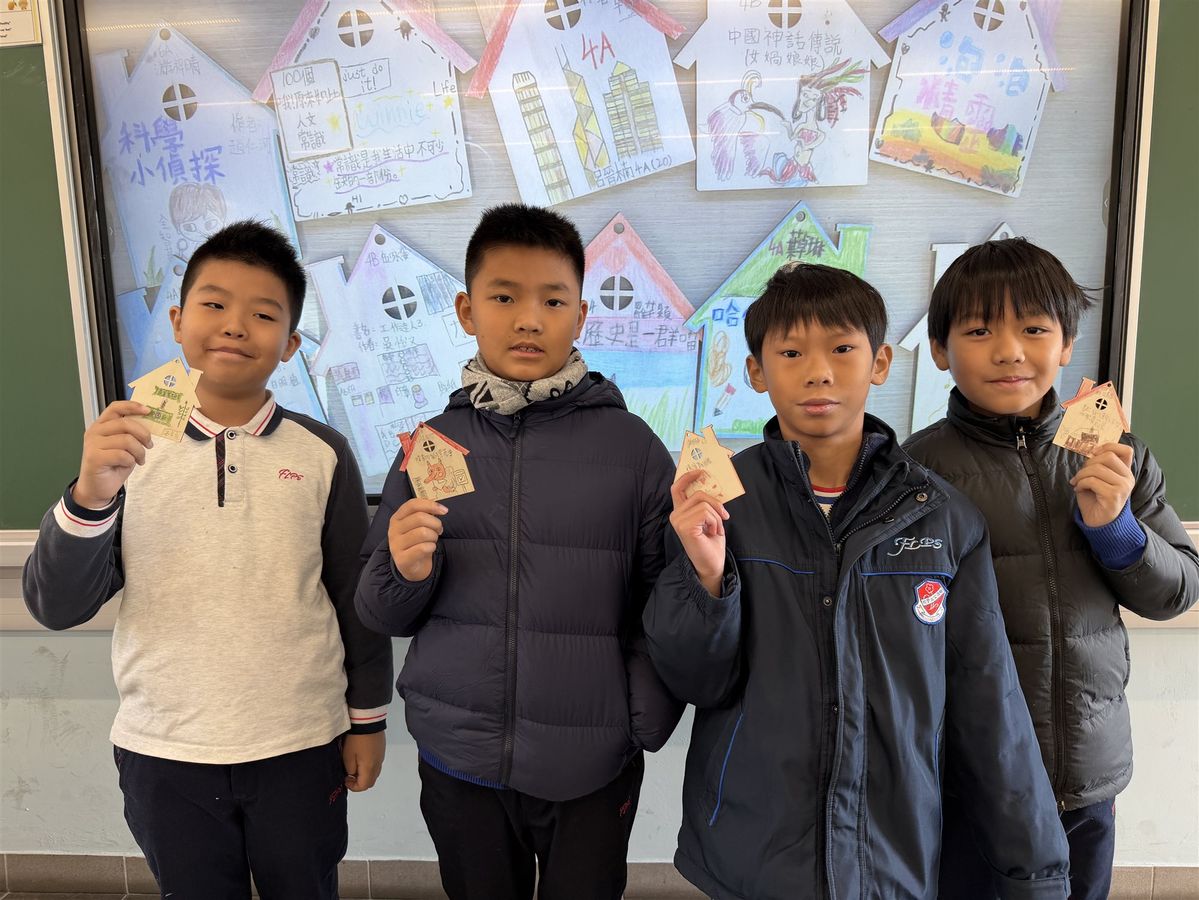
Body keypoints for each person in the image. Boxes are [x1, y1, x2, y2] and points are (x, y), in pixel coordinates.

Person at [644, 262, 1070, 899]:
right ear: (756, 371)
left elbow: (989, 702)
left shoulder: (942, 516)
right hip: (750, 850)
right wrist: (708, 579)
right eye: (791, 353)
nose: (818, 371)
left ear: (880, 363)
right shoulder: (717, 505)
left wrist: (1034, 872)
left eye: (842, 348)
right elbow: (692, 680)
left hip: (892, 848)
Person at [23, 221, 393, 900]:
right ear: (177, 320)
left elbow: (354, 597)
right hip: (166, 747)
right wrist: (90, 494)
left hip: (301, 741)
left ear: (290, 344)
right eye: (214, 304)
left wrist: (367, 720)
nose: (235, 326)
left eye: (264, 315)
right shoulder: (126, 444)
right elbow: (57, 606)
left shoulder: (323, 453)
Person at [355, 204, 682, 900]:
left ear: (581, 316)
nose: (529, 319)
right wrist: (405, 571)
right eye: (504, 297)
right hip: (458, 756)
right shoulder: (432, 445)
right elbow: (382, 612)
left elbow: (667, 602)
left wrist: (637, 721)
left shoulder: (634, 451)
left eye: (552, 301)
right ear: (466, 310)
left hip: (591, 762)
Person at [904, 237, 1199, 900]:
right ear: (941, 350)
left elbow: (1176, 592)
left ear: (1066, 344)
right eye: (979, 331)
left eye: (1034, 329)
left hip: (1086, 771)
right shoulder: (913, 474)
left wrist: (1115, 528)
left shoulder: (1114, 455)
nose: (1009, 350)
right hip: (967, 779)